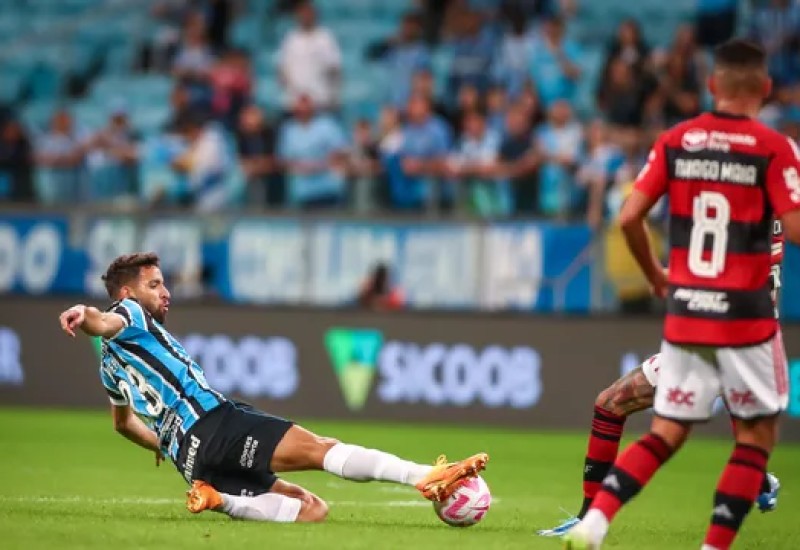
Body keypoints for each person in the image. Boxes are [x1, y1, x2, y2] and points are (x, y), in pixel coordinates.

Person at [564, 39, 800, 550]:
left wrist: (656, 274)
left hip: (691, 315)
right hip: (748, 322)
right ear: (765, 88)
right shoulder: (775, 151)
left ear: (711, 85)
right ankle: (718, 530)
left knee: (664, 432)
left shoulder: (680, 141)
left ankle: (593, 523)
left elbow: (629, 216)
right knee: (753, 440)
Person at [58, 253, 488, 523]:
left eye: (163, 283)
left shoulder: (108, 367)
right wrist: (83, 312)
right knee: (322, 448)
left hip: (190, 461)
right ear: (128, 293)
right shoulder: (129, 313)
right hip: (215, 423)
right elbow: (102, 320)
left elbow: (122, 424)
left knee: (312, 510)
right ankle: (424, 476)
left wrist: (164, 443)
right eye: (154, 285)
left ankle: (218, 499)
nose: (165, 292)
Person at [540, 221, 786, 538]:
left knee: (632, 416)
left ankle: (590, 519)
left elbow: (635, 221)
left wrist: (662, 275)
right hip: (750, 340)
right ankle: (758, 481)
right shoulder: (769, 207)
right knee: (743, 438)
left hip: (718, 335)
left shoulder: (742, 208)